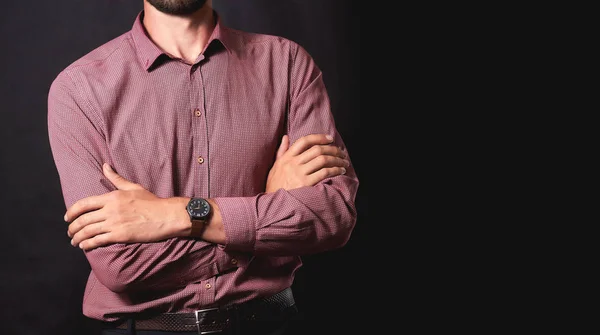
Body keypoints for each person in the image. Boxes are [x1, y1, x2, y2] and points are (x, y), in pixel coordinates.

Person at [47, 0, 359, 334]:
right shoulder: (79, 89)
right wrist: (264, 221)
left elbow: (332, 215)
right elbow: (119, 266)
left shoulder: (288, 64)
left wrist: (179, 214)